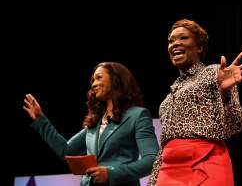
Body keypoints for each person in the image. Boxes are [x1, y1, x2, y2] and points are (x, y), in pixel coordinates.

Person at [147, 19, 242, 186]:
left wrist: (226, 94)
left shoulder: (215, 74)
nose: (175, 44)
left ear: (199, 47)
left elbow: (234, 125)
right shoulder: (169, 96)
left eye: (183, 38)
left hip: (206, 161)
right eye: (171, 40)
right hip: (169, 171)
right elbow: (164, 145)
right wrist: (152, 181)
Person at [23, 62, 159, 186]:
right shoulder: (96, 122)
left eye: (99, 78)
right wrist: (41, 119)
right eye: (93, 80)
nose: (93, 84)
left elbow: (152, 159)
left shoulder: (137, 115)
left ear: (116, 80)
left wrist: (111, 173)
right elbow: (66, 150)